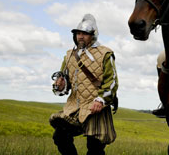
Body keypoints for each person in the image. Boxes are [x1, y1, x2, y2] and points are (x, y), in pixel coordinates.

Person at [50, 14, 119, 155]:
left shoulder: (105, 53)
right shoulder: (69, 55)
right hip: (75, 106)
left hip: (96, 107)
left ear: (93, 35)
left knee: (95, 148)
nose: (80, 36)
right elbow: (66, 82)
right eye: (78, 33)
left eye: (85, 34)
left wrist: (101, 100)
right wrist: (61, 85)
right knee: (60, 136)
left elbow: (111, 82)